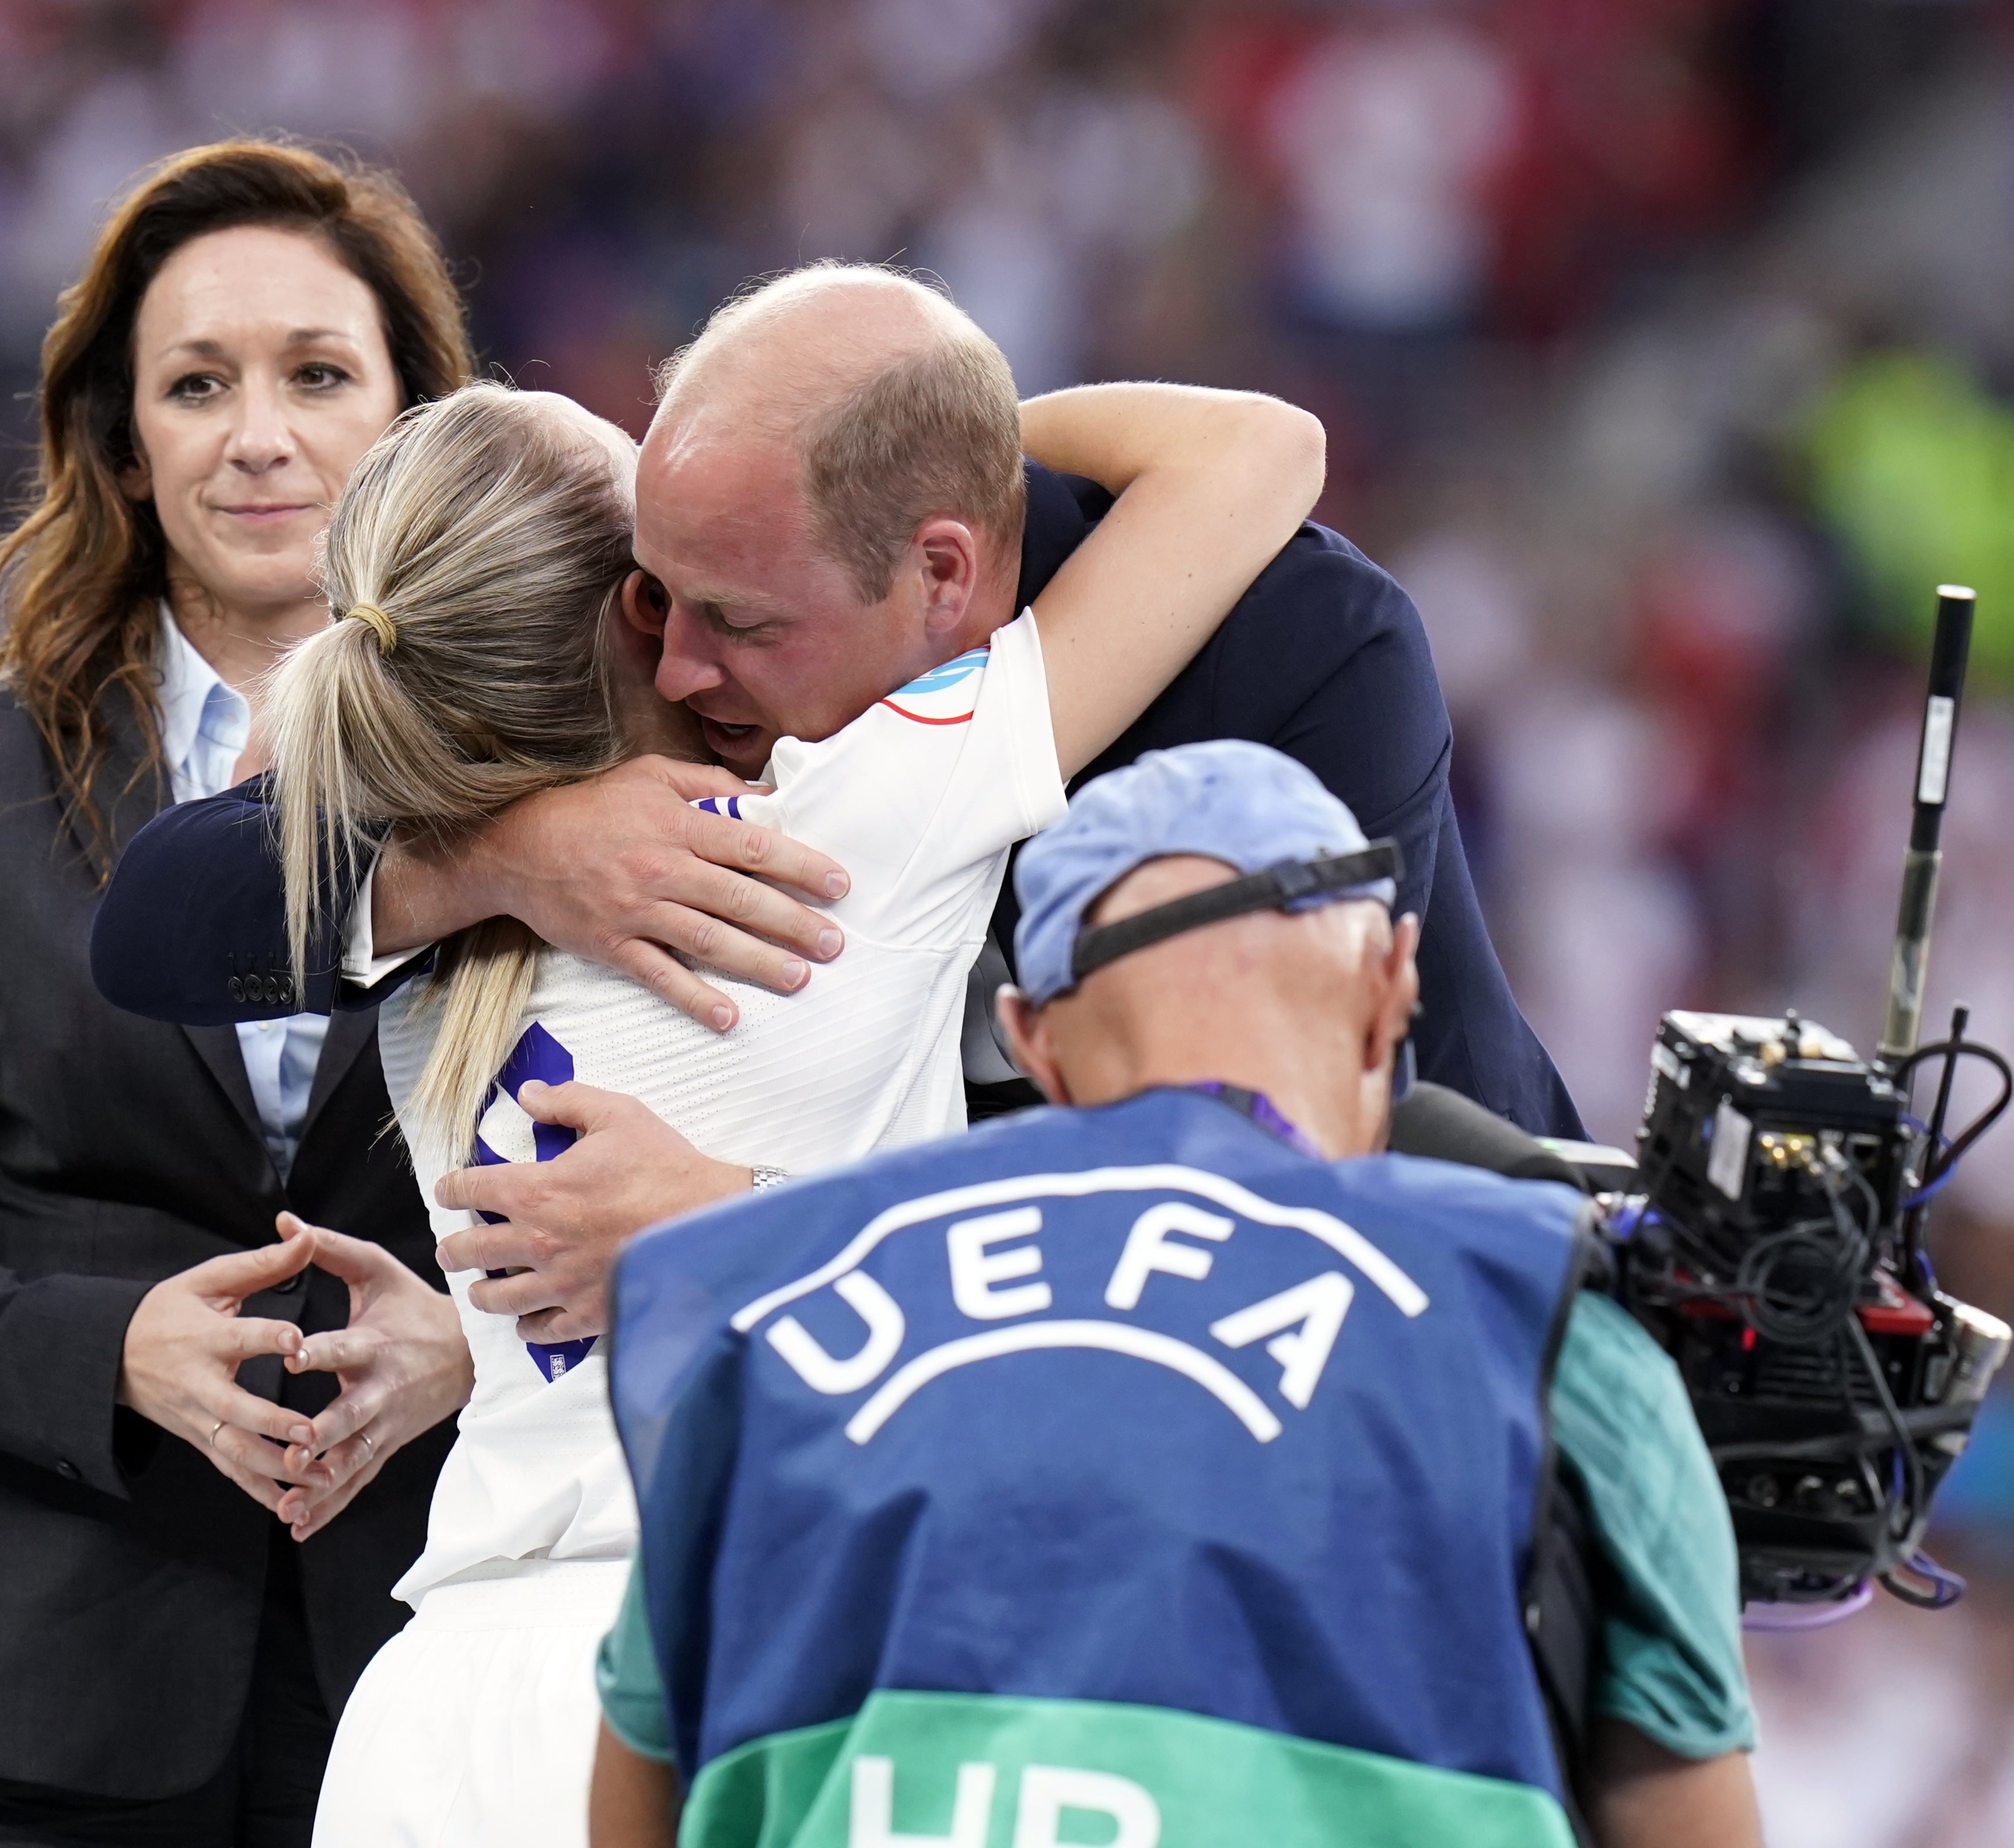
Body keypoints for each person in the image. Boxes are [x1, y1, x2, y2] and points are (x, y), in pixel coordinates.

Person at [242, 299, 1324, 1840]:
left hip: (429, 1706)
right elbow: (1255, 453)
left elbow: (265, 826)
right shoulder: (844, 817)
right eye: (656, 572)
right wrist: (922, 447)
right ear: (624, 621)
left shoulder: (406, 924)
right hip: (729, 1659)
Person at [88, 260, 1583, 1350]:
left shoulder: (1284, 650)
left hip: (1425, 1332)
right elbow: (165, 920)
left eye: (733, 617)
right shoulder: (677, 747)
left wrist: (743, 1222)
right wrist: (514, 853)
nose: (677, 663)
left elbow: (1259, 1180)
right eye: (651, 599)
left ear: (941, 571)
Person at [587, 741, 1763, 1848]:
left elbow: (639, 1791)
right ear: (1395, 979)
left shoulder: (767, 1295)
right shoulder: (1535, 1304)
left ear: (1031, 1041)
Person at [0, 142, 475, 1846]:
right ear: (124, 444)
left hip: (433, 1696)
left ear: (414, 428)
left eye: (316, 375)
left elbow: (661, 1209)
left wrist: (486, 1353)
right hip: (28, 1727)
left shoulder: (554, 792)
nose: (258, 435)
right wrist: (111, 1352)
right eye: (196, 384)